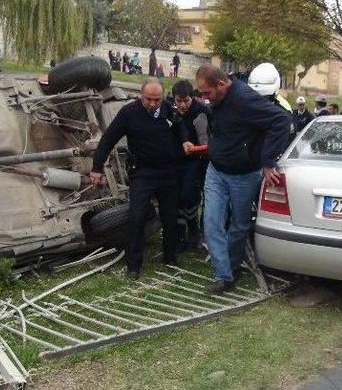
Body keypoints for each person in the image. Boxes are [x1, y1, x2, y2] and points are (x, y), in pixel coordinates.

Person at [195, 65, 294, 294]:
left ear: (221, 85)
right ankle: (224, 275)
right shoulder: (217, 100)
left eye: (206, 93)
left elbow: (281, 121)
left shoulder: (245, 99)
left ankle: (231, 267)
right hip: (216, 170)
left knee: (239, 225)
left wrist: (268, 161)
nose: (204, 98)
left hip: (244, 175)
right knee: (212, 222)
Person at [90, 78, 184, 279]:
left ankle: (170, 256)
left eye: (156, 100)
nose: (152, 103)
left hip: (168, 172)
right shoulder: (129, 113)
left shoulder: (170, 111)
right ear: (141, 95)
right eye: (148, 99)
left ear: (162, 97)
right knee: (136, 217)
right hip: (143, 173)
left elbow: (181, 135)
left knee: (170, 217)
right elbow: (108, 140)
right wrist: (97, 167)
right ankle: (133, 264)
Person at [171, 80, 210, 252]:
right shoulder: (170, 110)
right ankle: (179, 233)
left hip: (196, 159)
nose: (182, 105)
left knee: (189, 195)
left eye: (185, 101)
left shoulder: (201, 112)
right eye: (178, 101)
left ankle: (193, 227)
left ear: (192, 98)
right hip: (174, 160)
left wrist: (194, 149)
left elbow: (207, 142)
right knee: (176, 196)